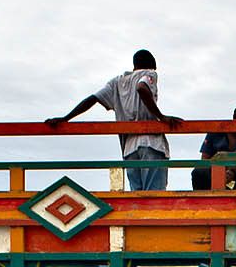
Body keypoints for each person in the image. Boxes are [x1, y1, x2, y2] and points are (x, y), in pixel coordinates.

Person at [47, 50, 182, 191]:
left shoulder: (117, 82)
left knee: (137, 197)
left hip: (129, 148)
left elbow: (93, 99)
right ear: (151, 65)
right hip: (151, 142)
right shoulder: (149, 74)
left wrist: (65, 118)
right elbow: (142, 87)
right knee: (154, 198)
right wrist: (161, 116)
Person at [192, 103, 236, 191]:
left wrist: (233, 172)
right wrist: (220, 170)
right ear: (234, 118)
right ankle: (200, 201)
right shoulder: (215, 131)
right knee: (198, 172)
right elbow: (204, 160)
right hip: (214, 172)